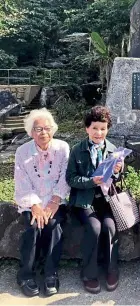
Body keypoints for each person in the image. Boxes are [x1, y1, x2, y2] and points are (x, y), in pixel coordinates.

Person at [66, 106, 122, 294]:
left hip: (106, 201)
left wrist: (117, 171)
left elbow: (118, 180)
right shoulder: (78, 150)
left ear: (108, 129)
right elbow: (71, 178)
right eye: (95, 128)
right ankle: (89, 274)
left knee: (110, 227)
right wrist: (91, 181)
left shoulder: (113, 150)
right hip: (84, 201)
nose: (99, 133)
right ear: (87, 129)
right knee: (94, 228)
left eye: (103, 128)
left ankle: (112, 270)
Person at [14, 108, 70, 297]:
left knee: (54, 226)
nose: (43, 133)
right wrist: (35, 205)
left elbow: (65, 176)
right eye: (38, 129)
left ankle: (50, 274)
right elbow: (21, 180)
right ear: (31, 132)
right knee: (34, 226)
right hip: (32, 201)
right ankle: (25, 275)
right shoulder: (22, 151)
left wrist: (55, 201)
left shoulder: (63, 148)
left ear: (53, 129)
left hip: (56, 200)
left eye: (47, 128)